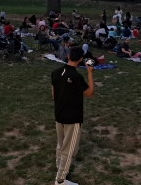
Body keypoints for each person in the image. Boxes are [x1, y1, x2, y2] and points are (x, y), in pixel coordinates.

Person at [51, 46, 94, 185]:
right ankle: (61, 180)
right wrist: (90, 73)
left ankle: (59, 168)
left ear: (68, 56)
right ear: (81, 59)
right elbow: (89, 93)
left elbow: (53, 95)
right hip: (73, 117)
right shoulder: (76, 76)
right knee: (69, 150)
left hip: (59, 114)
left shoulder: (56, 72)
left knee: (61, 144)